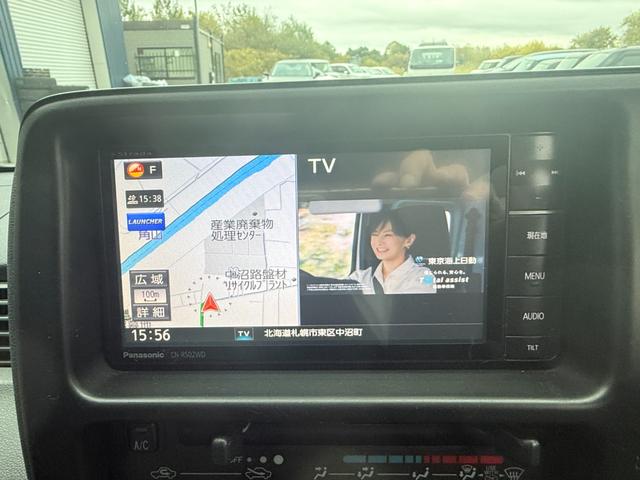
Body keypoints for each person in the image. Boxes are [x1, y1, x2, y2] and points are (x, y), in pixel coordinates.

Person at [349, 210, 437, 295]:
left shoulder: (423, 276)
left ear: (409, 240)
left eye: (387, 235)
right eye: (374, 234)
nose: (379, 242)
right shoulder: (360, 277)